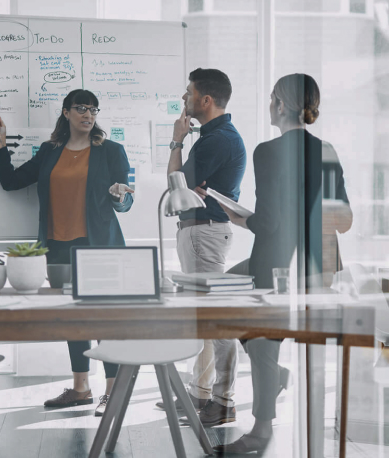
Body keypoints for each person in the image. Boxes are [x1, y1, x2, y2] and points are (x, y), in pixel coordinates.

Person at [215, 73, 350, 454]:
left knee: (259, 339)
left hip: (277, 262)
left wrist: (239, 217)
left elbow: (269, 222)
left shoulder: (267, 151)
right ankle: (276, 382)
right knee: (231, 295)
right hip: (320, 265)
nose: (268, 104)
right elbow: (343, 220)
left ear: (280, 104)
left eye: (271, 97)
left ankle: (261, 430)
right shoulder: (326, 150)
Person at [0, 89, 134, 416]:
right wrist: (0, 145)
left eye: (93, 109)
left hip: (99, 246)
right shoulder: (50, 151)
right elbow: (11, 182)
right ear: (67, 112)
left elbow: (124, 200)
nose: (88, 115)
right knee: (72, 319)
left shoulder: (111, 151)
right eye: (81, 108)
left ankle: (112, 392)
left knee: (105, 320)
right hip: (58, 246)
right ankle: (81, 388)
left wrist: (117, 195)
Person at [158, 68, 246, 427]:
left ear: (205, 100)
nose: (184, 99)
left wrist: (177, 141)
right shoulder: (215, 136)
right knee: (205, 319)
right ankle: (201, 393)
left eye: (188, 93)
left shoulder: (217, 140)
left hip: (204, 232)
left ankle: (223, 401)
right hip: (202, 232)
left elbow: (178, 191)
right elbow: (186, 189)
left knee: (218, 320)